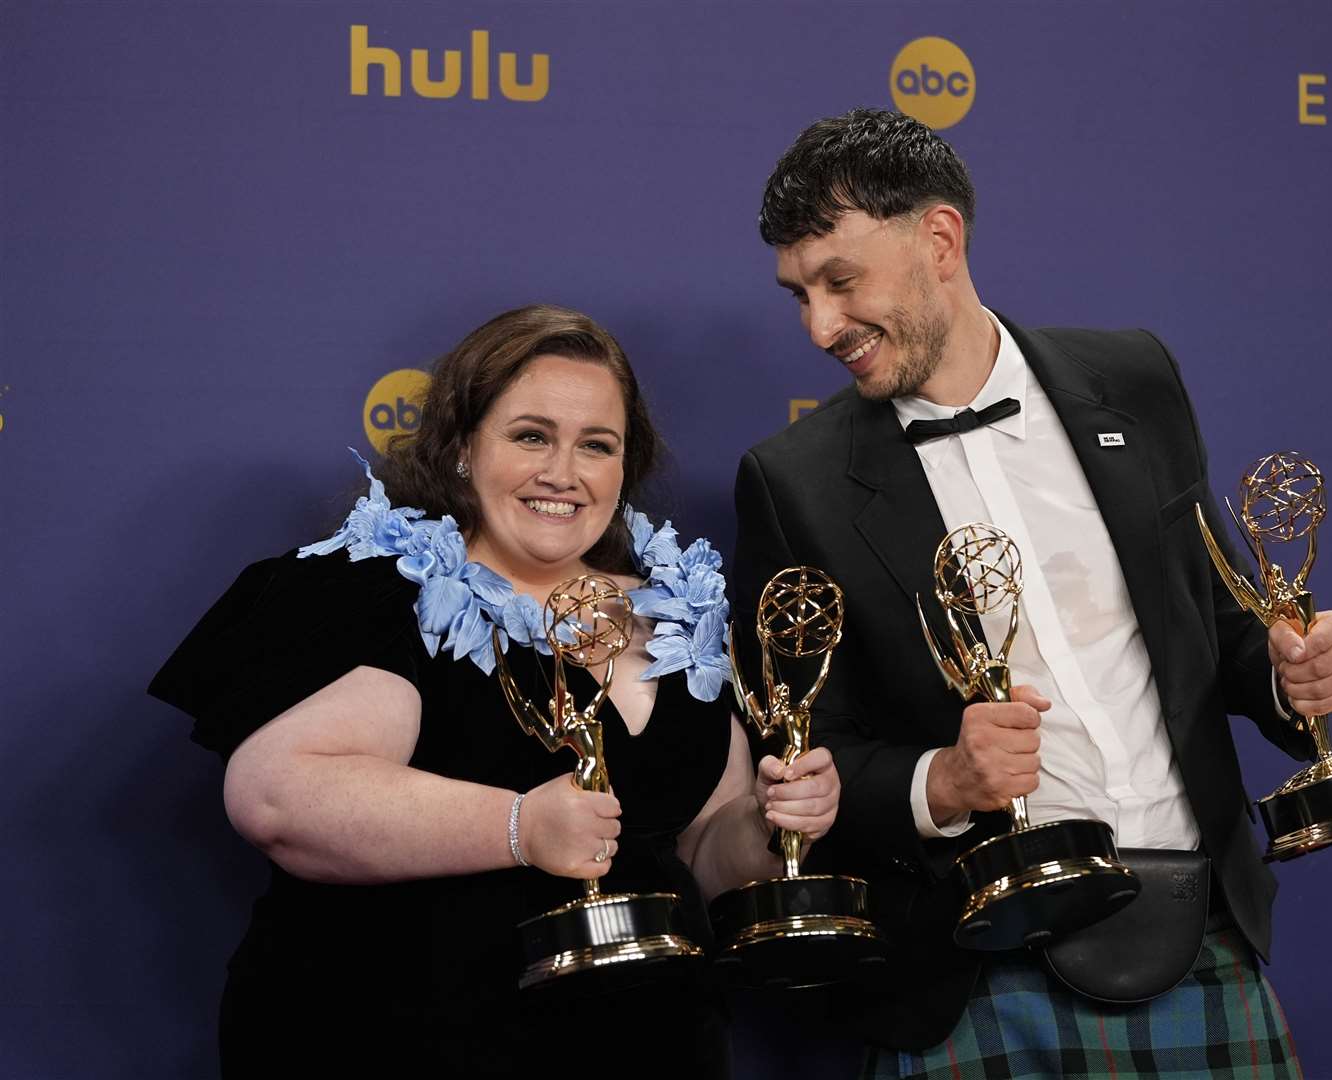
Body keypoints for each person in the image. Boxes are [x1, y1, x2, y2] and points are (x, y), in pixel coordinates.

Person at [731, 108, 1332, 1078]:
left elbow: (1223, 629)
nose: (820, 326)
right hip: (976, 977)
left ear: (940, 239)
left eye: (841, 281)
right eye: (799, 294)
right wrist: (943, 781)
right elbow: (802, 763)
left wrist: (1293, 676)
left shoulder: (1136, 380)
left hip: (1204, 937)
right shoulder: (794, 481)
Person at [150, 304, 841, 1077]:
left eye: (596, 446)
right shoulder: (380, 589)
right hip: (397, 1041)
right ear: (460, 447)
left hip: (650, 1047)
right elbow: (280, 798)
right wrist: (519, 826)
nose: (563, 472)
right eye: (530, 436)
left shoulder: (680, 612)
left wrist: (775, 823)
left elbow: (705, 852)